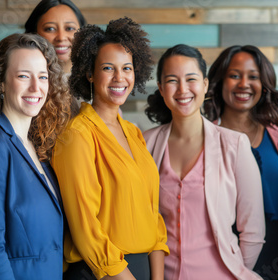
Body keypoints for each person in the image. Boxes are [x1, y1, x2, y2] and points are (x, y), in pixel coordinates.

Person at [51, 17, 168, 280]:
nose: (119, 77)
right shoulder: (77, 136)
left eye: (127, 68)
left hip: (144, 269)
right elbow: (86, 229)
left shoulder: (134, 133)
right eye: (108, 68)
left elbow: (154, 216)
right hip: (100, 273)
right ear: (90, 73)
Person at [144, 44, 265, 280]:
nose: (182, 89)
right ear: (160, 88)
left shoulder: (235, 145)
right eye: (172, 80)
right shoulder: (146, 144)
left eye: (191, 79)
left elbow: (253, 231)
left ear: (206, 85)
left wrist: (238, 271)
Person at [0, 33, 71, 279]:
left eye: (43, 77)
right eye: (23, 76)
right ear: (1, 83)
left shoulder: (38, 148)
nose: (36, 88)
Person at [204, 45, 278, 279]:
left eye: (253, 77)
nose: (244, 84)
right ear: (220, 82)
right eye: (234, 75)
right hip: (222, 248)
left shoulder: (277, 135)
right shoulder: (206, 137)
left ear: (263, 85)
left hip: (273, 251)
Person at [25, 0, 86, 75]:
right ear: (33, 34)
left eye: (69, 28)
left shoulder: (96, 77)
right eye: (50, 29)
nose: (61, 37)